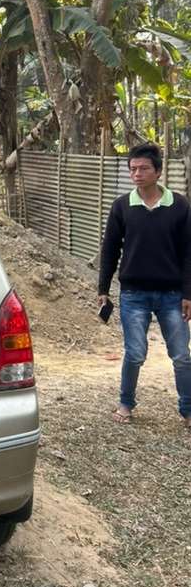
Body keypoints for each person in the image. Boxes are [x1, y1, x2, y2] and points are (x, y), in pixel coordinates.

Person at [98, 142, 191, 428]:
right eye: (133, 169)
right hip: (133, 294)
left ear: (158, 172)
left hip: (172, 295)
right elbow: (110, 249)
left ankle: (187, 410)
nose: (137, 173)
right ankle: (126, 404)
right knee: (135, 353)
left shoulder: (179, 205)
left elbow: (189, 252)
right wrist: (102, 289)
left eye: (144, 168)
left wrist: (189, 293)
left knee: (182, 356)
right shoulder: (122, 206)